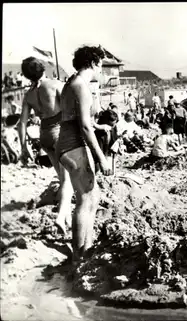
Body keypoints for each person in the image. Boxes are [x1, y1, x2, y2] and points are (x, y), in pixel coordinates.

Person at [57, 45, 112, 263]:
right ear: (93, 63)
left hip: (66, 144)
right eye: (101, 65)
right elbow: (84, 128)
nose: (101, 69)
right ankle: (79, 256)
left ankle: (85, 248)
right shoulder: (81, 86)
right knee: (85, 199)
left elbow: (78, 120)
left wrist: (98, 127)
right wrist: (101, 157)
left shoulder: (71, 83)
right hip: (74, 146)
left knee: (92, 196)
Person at [17, 57, 76, 236]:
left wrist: (24, 147)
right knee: (69, 180)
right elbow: (69, 110)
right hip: (60, 132)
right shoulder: (55, 84)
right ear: (43, 69)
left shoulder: (28, 95)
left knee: (62, 178)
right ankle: (61, 217)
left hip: (44, 135)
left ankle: (67, 221)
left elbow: (22, 124)